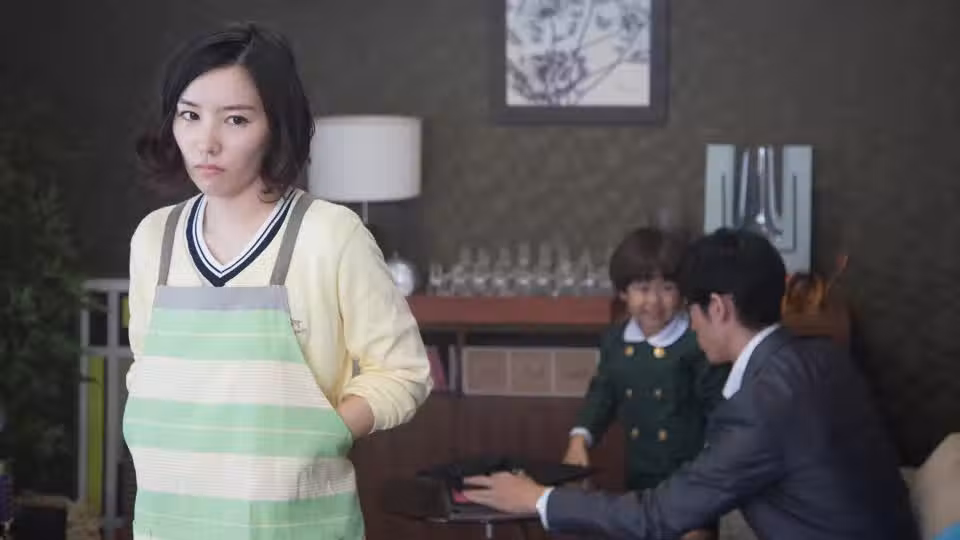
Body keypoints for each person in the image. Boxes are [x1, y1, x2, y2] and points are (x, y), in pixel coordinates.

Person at [123, 23, 432, 540]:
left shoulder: (330, 235)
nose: (207, 142)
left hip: (292, 522)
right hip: (167, 519)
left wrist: (322, 434)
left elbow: (404, 372)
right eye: (189, 115)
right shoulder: (155, 237)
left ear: (276, 126)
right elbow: (147, 368)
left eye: (236, 120)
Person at [464, 228, 918, 540]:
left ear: (718, 308)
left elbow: (660, 515)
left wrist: (539, 499)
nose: (690, 323)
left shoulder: (761, 404)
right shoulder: (822, 357)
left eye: (690, 309)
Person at [563, 227, 728, 540]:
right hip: (640, 481)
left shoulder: (696, 341)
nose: (654, 301)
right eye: (642, 288)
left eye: (667, 288)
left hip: (692, 481)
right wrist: (579, 439)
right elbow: (602, 395)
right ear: (623, 293)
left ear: (683, 292)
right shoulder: (615, 341)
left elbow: (718, 408)